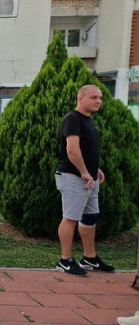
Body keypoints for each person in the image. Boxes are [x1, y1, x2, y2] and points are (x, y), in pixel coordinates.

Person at [54, 85, 114, 275]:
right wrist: (84, 172)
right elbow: (72, 149)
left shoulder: (90, 121)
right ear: (81, 99)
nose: (99, 101)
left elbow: (86, 150)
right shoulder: (72, 119)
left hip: (89, 177)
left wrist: (95, 169)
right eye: (94, 97)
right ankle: (65, 261)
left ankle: (90, 258)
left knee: (90, 218)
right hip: (73, 177)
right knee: (70, 218)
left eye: (100, 97)